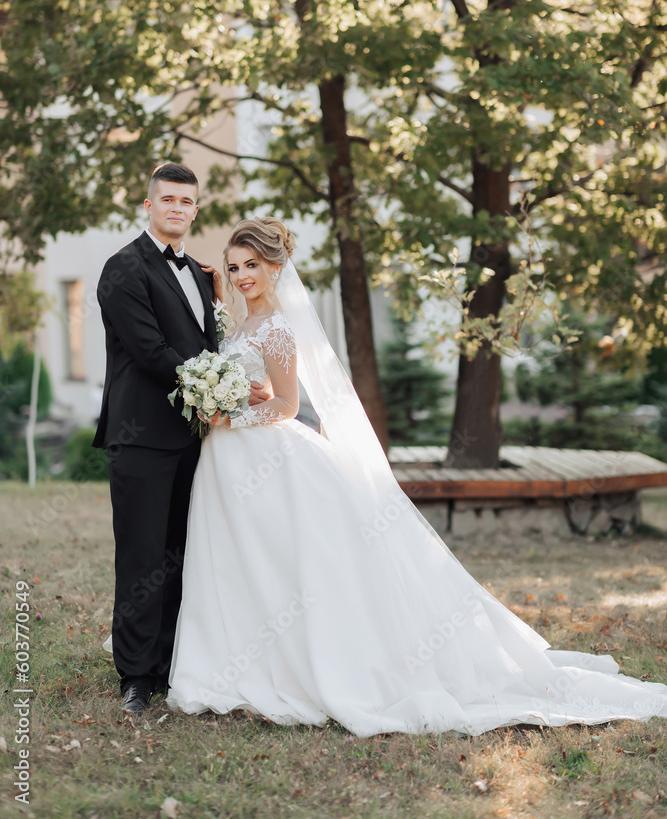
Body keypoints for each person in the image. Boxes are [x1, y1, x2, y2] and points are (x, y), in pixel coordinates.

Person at [167, 217, 667, 736]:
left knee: (284, 565)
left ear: (275, 266)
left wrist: (232, 415)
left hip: (268, 458)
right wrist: (220, 396)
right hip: (228, 463)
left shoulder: (276, 327)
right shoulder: (239, 323)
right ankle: (239, 664)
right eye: (234, 266)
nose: (243, 274)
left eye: (252, 265)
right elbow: (261, 389)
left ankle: (310, 668)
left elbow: (289, 407)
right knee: (244, 564)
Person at [93, 164, 269, 715]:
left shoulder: (199, 273)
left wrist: (224, 385)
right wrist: (226, 388)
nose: (176, 208)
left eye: (186, 202)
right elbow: (149, 352)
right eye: (167, 199)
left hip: (197, 437)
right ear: (149, 206)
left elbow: (212, 342)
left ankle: (172, 663)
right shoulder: (121, 269)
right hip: (141, 435)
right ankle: (137, 676)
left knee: (181, 556)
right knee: (142, 557)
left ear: (195, 210)